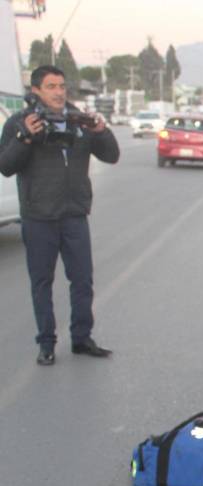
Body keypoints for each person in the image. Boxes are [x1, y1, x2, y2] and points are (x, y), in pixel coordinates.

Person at [0, 65, 120, 366]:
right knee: (41, 282)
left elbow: (112, 155)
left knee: (82, 280)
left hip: (74, 214)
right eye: (51, 86)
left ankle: (82, 338)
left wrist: (100, 131)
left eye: (62, 85)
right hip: (38, 216)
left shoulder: (78, 121)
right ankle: (46, 343)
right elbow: (6, 165)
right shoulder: (19, 122)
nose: (58, 92)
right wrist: (25, 137)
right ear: (36, 90)